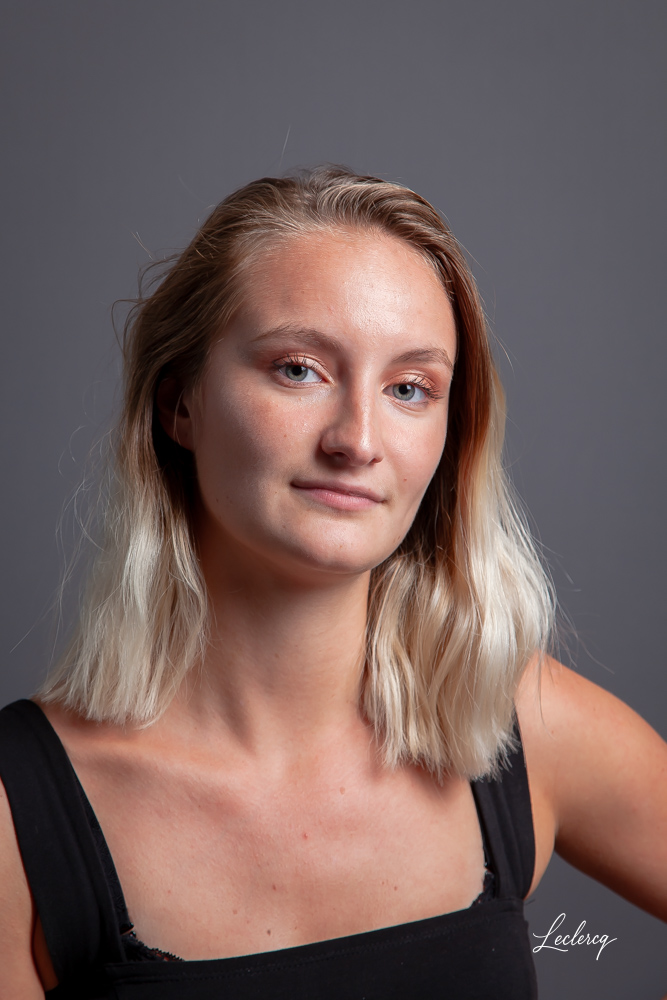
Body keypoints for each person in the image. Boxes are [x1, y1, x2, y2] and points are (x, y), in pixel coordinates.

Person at [0, 166, 665, 999]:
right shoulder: (15, 818)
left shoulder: (521, 726)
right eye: (298, 370)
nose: (357, 440)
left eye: (409, 389)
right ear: (179, 404)